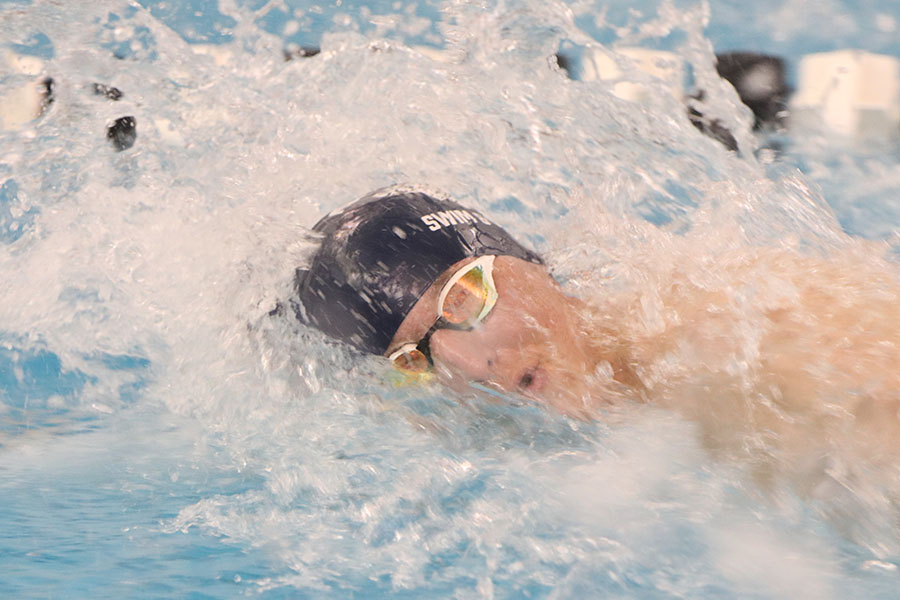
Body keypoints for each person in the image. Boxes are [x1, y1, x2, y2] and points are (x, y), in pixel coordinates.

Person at [294, 187, 900, 465]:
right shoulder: (523, 455)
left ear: (533, 269)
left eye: (466, 297)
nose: (468, 364)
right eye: (414, 360)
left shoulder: (729, 327)